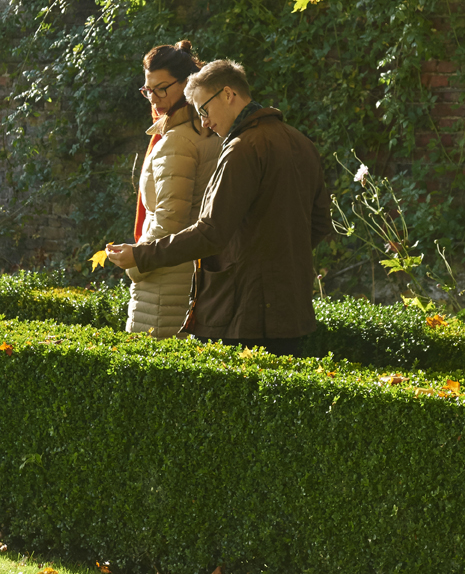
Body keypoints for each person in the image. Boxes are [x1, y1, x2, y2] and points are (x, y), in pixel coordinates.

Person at [105, 58, 332, 355]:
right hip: (290, 309)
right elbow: (319, 225)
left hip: (242, 313)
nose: (205, 122)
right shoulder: (301, 142)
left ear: (228, 94)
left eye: (205, 110)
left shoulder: (242, 148)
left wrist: (142, 255)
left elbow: (211, 233)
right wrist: (279, 261)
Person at [123, 40, 221, 337]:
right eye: (147, 90)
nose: (153, 98)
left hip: (166, 280)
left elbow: (169, 221)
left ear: (187, 84)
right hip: (190, 272)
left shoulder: (178, 140)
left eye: (161, 88)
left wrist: (134, 262)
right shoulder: (209, 130)